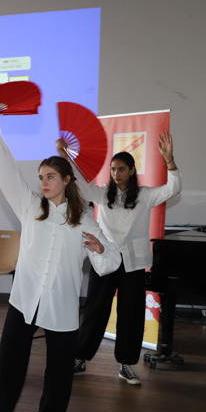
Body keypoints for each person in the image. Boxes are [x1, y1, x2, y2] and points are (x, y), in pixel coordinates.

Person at [0, 114, 120, 412]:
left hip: (61, 307)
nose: (43, 182)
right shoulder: (30, 208)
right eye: (40, 177)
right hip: (24, 300)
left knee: (59, 371)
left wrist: (99, 250)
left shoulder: (84, 221)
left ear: (68, 179)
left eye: (50, 176)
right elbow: (6, 172)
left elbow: (112, 262)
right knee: (8, 363)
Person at [60, 132, 181, 385]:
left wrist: (169, 160)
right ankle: (80, 358)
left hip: (133, 263)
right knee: (95, 311)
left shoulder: (145, 195)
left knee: (131, 315)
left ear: (132, 170)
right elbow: (79, 184)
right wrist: (65, 156)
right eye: (113, 169)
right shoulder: (102, 194)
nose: (116, 173)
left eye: (122, 169)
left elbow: (174, 188)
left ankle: (126, 364)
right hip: (104, 260)